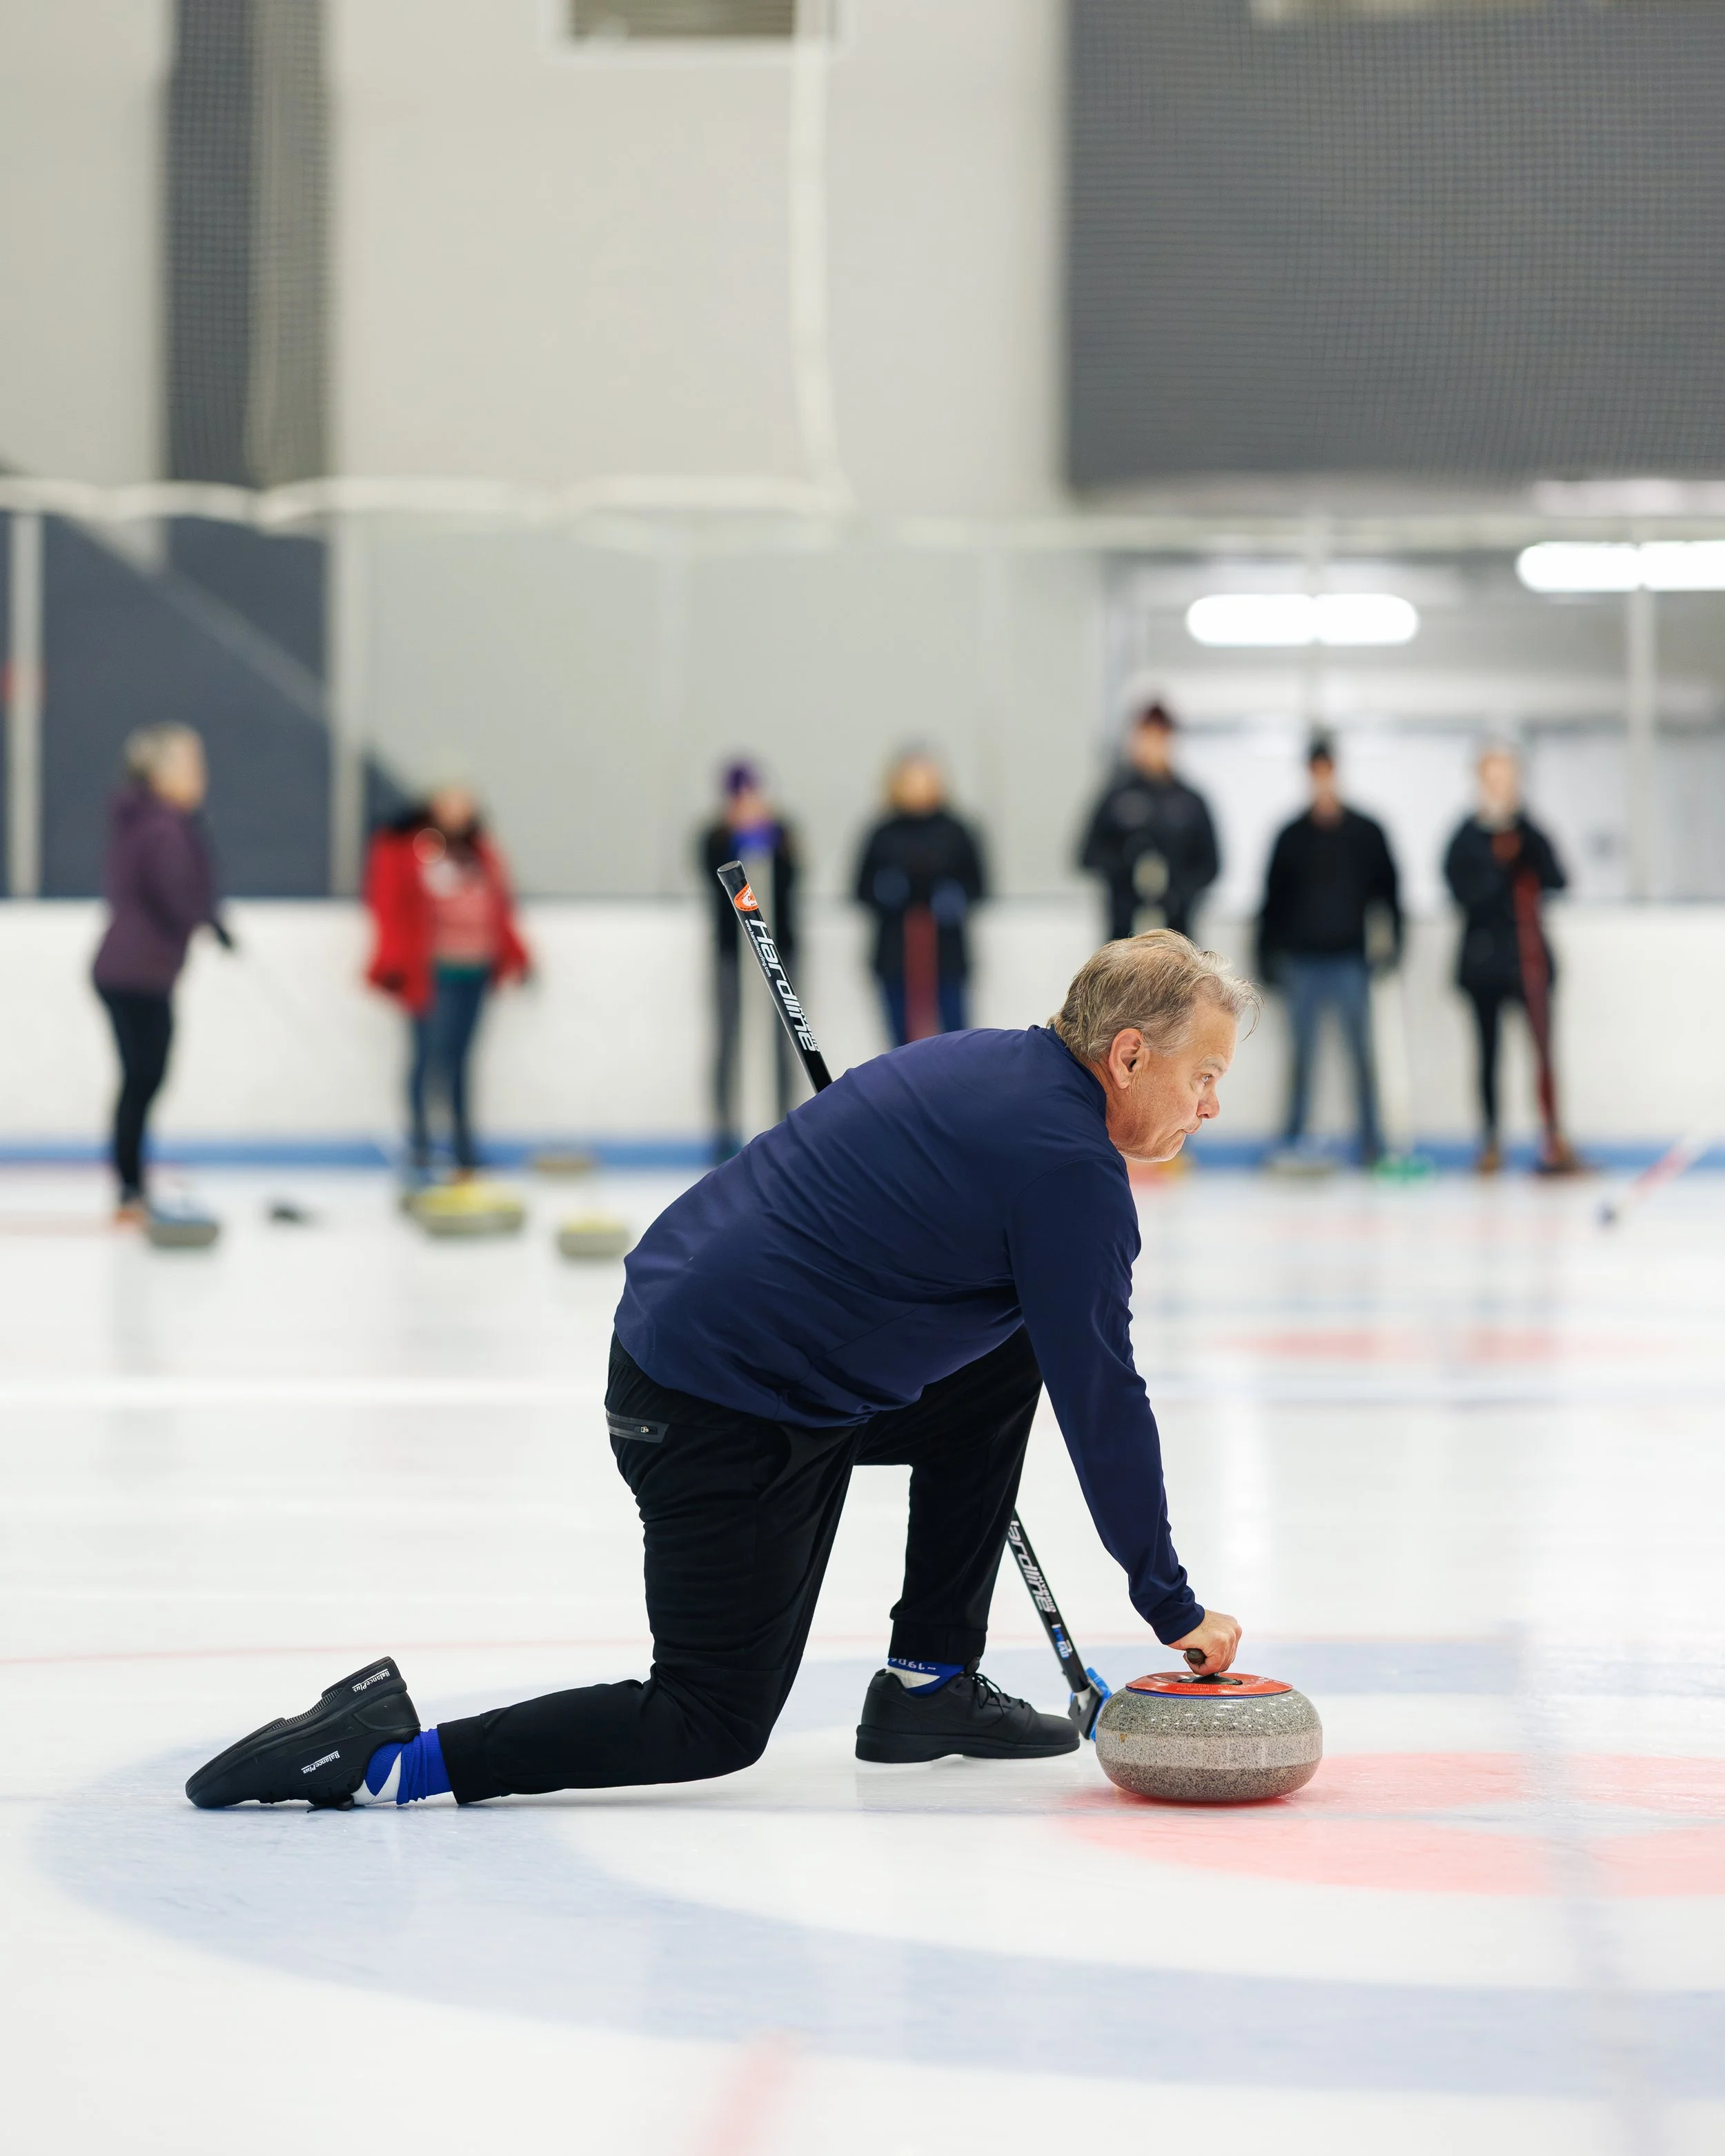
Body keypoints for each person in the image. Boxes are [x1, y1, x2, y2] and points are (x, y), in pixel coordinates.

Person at [188, 931, 1254, 1810]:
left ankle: (929, 1679)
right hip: (721, 1410)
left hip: (716, 1350)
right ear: (1126, 1056)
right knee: (706, 1720)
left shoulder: (994, 1064)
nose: (1209, 1106)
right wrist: (1169, 1602)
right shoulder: (1069, 1171)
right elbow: (1104, 1397)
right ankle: (386, 1759)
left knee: (1007, 1356)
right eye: (1203, 1076)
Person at [90, 725, 233, 1223]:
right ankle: (130, 1186)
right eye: (192, 766)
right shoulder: (164, 827)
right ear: (160, 774)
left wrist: (209, 918)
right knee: (143, 1076)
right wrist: (210, 919)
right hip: (137, 972)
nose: (202, 777)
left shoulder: (155, 821)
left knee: (143, 1077)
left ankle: (132, 1182)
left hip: (135, 969)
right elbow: (176, 891)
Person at [364, 783, 529, 1178]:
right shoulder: (413, 849)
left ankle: (462, 1145)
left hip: (475, 970)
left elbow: (499, 909)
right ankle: (420, 1143)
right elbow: (390, 906)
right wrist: (392, 961)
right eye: (449, 803)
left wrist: (518, 956)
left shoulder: (480, 852)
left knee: (461, 1062)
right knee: (427, 1058)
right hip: (430, 975)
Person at [1256, 735, 1401, 1169]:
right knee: (1301, 1058)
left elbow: (1391, 894)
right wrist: (1266, 955)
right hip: (1301, 963)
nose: (1322, 780)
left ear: (1336, 772)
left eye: (1328, 771)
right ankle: (1292, 1141)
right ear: (1308, 775)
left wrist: (1395, 946)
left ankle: (1374, 1145)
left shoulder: (1366, 832)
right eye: (1315, 772)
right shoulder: (1290, 836)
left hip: (1351, 962)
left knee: (1362, 1056)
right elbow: (1271, 902)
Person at [1443, 746, 1581, 1176]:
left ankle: (1552, 1137)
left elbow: (1558, 879)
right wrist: (1498, 870)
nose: (1500, 785)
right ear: (1480, 780)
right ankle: (1489, 1141)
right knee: (1488, 1055)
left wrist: (1525, 851)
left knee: (1542, 1051)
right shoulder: (1465, 837)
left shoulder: (1529, 832)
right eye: (1493, 776)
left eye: (1507, 776)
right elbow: (1461, 893)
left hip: (1529, 961)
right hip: (1484, 963)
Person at [698, 761, 800, 1161]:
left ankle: (783, 1124)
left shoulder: (783, 832)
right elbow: (713, 877)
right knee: (728, 1036)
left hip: (777, 950)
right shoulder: (713, 837)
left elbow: (791, 878)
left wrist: (771, 841)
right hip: (731, 951)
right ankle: (725, 1128)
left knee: (785, 1039)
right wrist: (734, 840)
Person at [854, 751, 987, 1046]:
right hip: (895, 951)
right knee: (900, 1042)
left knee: (956, 1038)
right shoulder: (883, 832)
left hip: (946, 952)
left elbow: (979, 885)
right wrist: (882, 893)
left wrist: (958, 897)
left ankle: (955, 1090)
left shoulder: (956, 830)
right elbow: (860, 888)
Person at [1078, 700, 1220, 942]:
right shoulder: (1116, 796)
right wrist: (1127, 868)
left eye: (1159, 736)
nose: (1152, 745)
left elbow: (1211, 865)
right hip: (1123, 934)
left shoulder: (1190, 801)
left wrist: (1177, 891)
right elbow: (1087, 855)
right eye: (1146, 736)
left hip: (1177, 935)